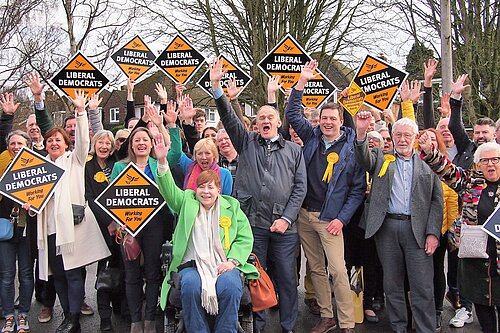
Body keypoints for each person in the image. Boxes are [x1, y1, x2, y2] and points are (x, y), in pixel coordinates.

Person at [210, 57, 307, 333]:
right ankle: (260, 326)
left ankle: (288, 326)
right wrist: (217, 88)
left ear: (279, 122)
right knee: (256, 276)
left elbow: (300, 188)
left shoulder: (294, 151)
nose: (265, 120)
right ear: (255, 123)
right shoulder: (246, 142)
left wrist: (287, 219)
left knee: (288, 278)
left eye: (270, 117)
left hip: (284, 227)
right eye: (261, 117)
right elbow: (229, 117)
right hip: (253, 224)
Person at [286, 60, 365, 333]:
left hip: (331, 220)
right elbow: (293, 116)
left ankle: (346, 322)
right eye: (324, 119)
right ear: (318, 121)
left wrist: (342, 219)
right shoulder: (311, 137)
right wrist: (301, 82)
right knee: (316, 269)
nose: (328, 123)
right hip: (305, 215)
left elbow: (357, 191)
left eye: (333, 118)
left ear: (341, 121)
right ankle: (327, 315)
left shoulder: (353, 146)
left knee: (338, 271)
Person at [22, 90, 110, 333]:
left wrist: (82, 112)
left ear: (65, 144)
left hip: (69, 230)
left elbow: (83, 140)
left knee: (72, 274)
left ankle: (72, 318)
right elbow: (33, 198)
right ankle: (68, 316)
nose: (53, 143)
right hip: (48, 229)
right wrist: (29, 207)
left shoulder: (75, 160)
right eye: (50, 140)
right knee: (56, 276)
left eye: (58, 140)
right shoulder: (39, 168)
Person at [153, 132, 258, 333]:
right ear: (196, 189)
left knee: (230, 285)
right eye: (201, 187)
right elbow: (168, 190)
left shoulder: (231, 206)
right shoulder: (186, 201)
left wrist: (232, 261)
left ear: (219, 189)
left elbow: (244, 237)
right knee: (191, 285)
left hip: (224, 263)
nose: (206, 192)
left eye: (211, 187)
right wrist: (162, 161)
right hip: (191, 263)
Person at [354, 111, 443, 333]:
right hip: (387, 229)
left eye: (407, 135)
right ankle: (398, 328)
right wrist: (362, 131)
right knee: (392, 285)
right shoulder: (383, 159)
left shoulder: (428, 164)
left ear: (415, 138)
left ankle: (425, 329)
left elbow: (436, 201)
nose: (402, 139)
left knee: (422, 287)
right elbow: (364, 158)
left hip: (418, 230)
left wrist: (433, 233)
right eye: (398, 135)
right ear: (392, 137)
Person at [419, 134, 500, 333]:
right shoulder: (471, 181)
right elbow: (448, 171)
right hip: (476, 259)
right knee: (483, 307)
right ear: (478, 164)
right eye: (485, 160)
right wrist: (430, 152)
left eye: (495, 160)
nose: (490, 164)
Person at [110, 98, 172, 333]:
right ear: (131, 145)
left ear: (151, 144)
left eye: (145, 140)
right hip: (128, 227)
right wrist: (119, 225)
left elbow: (172, 149)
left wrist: (162, 124)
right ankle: (135, 319)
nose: (141, 143)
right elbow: (113, 200)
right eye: (137, 140)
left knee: (153, 273)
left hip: (155, 226)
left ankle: (149, 318)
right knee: (131, 274)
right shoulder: (120, 167)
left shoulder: (159, 166)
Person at [0, 93, 36, 333]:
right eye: (12, 143)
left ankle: (23, 312)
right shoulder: (1, 161)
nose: (15, 147)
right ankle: (8, 315)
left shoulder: (35, 166)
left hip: (26, 227)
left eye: (20, 144)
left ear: (27, 147)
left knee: (25, 273)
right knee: (5, 274)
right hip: (4, 226)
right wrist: (8, 117)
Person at [85, 130, 127, 331]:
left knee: (122, 268)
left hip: (121, 225)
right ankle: (104, 317)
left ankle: (119, 307)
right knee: (104, 272)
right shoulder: (87, 167)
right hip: (99, 226)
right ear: (94, 144)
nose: (104, 146)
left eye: (108, 143)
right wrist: (108, 221)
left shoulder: (117, 164)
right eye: (100, 142)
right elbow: (89, 197)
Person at [167, 111, 233, 195]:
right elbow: (177, 151)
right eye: (200, 153)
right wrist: (172, 125)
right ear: (195, 156)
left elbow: (227, 201)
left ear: (214, 156)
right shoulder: (189, 167)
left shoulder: (225, 174)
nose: (203, 157)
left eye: (207, 153)